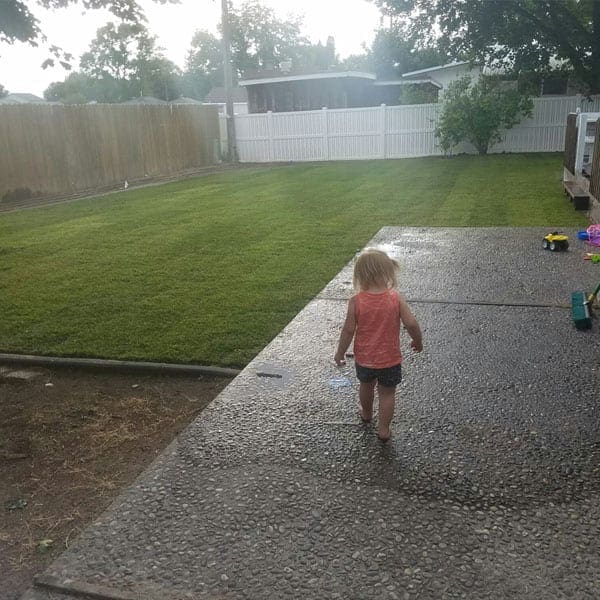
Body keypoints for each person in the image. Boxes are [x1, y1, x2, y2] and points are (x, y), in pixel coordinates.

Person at [334, 248, 423, 441]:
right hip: (389, 359)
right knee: (387, 394)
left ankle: (366, 413)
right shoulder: (395, 298)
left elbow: (348, 330)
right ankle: (384, 429)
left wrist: (340, 352)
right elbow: (411, 324)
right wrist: (417, 340)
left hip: (365, 359)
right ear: (388, 272)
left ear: (360, 276)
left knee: (365, 386)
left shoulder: (356, 301)